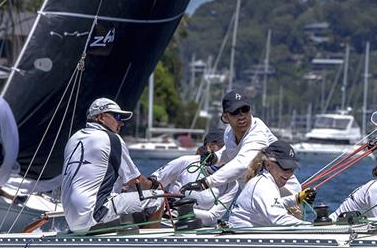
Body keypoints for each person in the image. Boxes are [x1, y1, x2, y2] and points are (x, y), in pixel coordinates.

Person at [181, 89, 315, 208]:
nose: (241, 116)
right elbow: (229, 153)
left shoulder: (258, 132)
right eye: (235, 112)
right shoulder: (228, 133)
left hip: (286, 199)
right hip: (257, 197)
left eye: (245, 109)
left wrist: (206, 183)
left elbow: (243, 163)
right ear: (225, 117)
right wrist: (214, 158)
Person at [61, 98, 163, 233]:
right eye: (118, 117)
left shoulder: (74, 138)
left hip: (71, 221)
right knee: (158, 198)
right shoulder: (111, 139)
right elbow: (137, 181)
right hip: (93, 217)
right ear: (101, 117)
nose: (121, 123)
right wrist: (155, 185)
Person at [148, 130, 238, 226]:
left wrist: (178, 208)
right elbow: (152, 184)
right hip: (167, 224)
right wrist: (162, 200)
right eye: (223, 148)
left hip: (201, 231)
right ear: (210, 147)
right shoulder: (186, 162)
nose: (228, 153)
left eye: (232, 149)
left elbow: (212, 217)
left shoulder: (232, 183)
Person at [229, 141, 309, 228]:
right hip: (242, 236)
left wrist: (297, 198)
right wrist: (311, 227)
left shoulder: (264, 181)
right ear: (268, 164)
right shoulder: (264, 186)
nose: (289, 173)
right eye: (285, 167)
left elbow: (272, 203)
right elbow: (278, 219)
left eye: (292, 169)